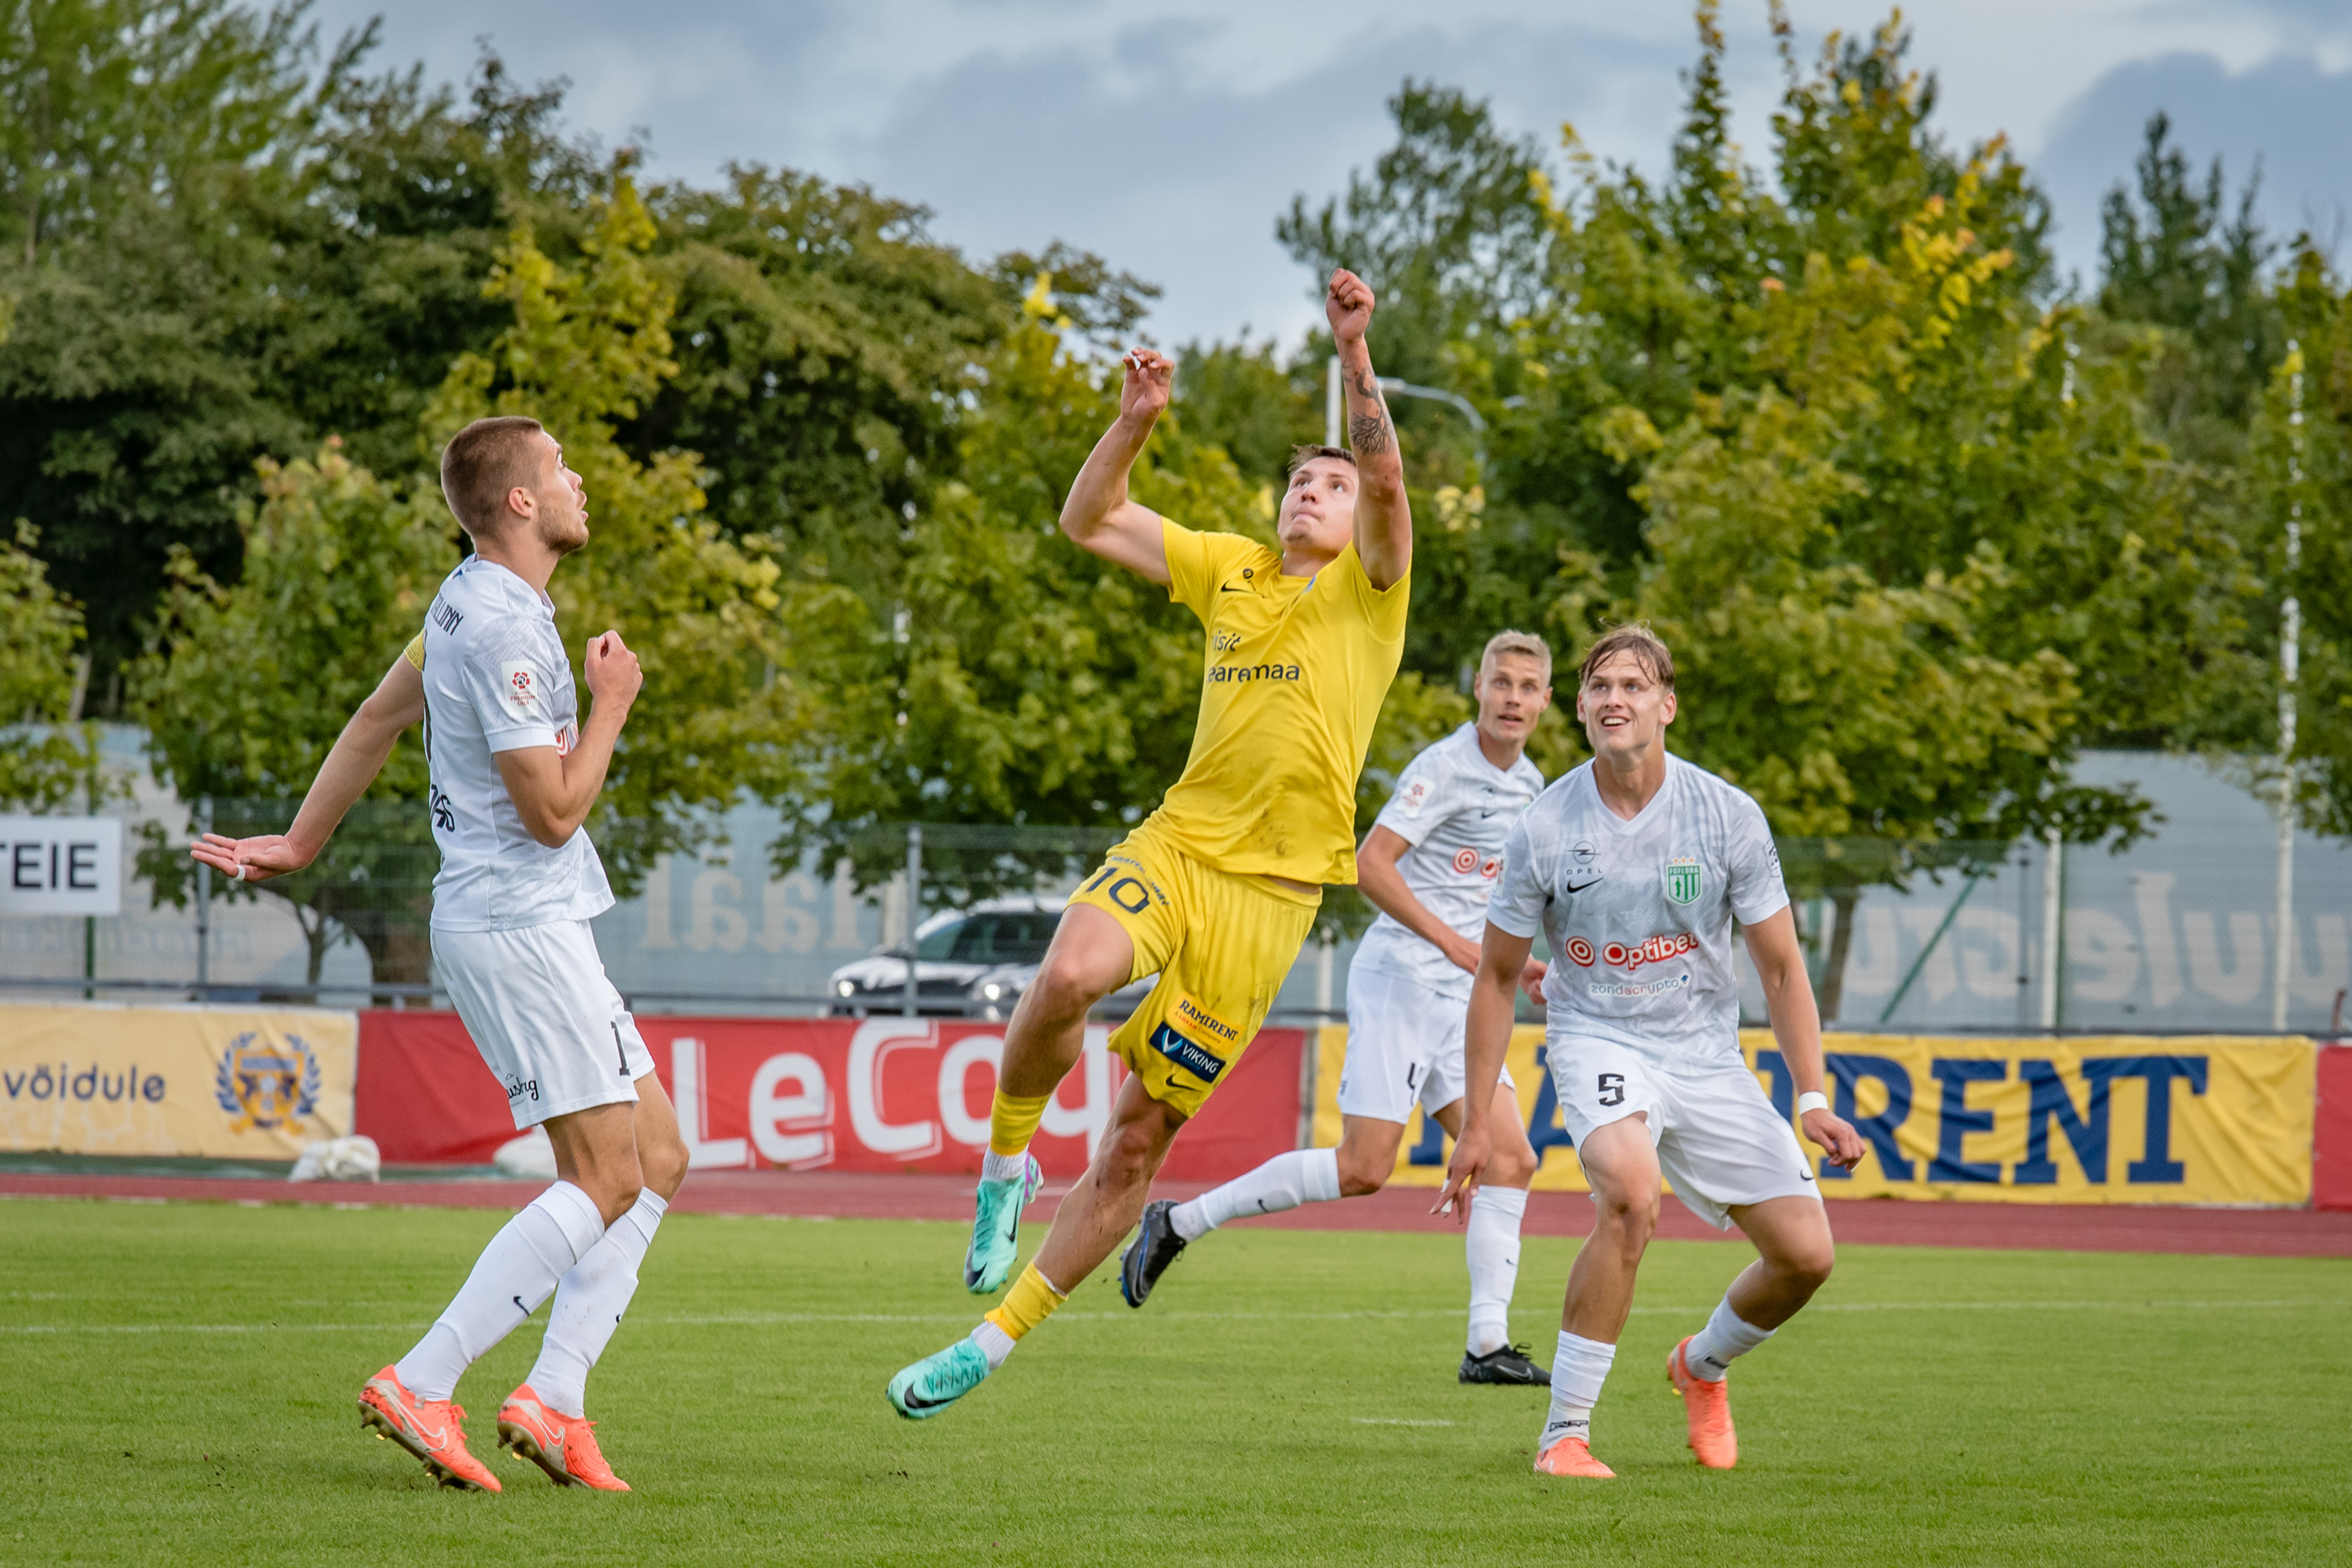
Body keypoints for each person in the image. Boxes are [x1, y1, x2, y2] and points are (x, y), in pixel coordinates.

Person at [886, 269, 1414, 1417]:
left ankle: (994, 1340)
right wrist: (1128, 429)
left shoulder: (1371, 593)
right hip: (1179, 846)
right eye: (1297, 484)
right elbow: (1087, 519)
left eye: (1327, 484)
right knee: (1069, 971)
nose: (1309, 495)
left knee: (1135, 1148)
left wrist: (1354, 352)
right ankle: (1001, 1168)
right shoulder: (1228, 567)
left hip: (1269, 903)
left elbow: (1384, 467)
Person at [191, 416, 687, 1493]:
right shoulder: (506, 630)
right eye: (560, 469)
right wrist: (612, 707)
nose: (579, 481)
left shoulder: (460, 600)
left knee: (659, 1156)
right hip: (520, 923)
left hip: (527, 918)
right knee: (605, 1178)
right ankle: (424, 1378)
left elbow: (376, 717)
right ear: (519, 502)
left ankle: (554, 1400)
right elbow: (554, 810)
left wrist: (301, 841)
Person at [1437, 625, 1866, 1480]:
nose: (1613, 698)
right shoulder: (1545, 824)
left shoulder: (1727, 814)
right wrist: (1478, 1121)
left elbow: (1781, 968)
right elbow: (1494, 977)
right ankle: (1565, 1432)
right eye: (1599, 686)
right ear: (1584, 709)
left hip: (1705, 1052)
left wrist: (1811, 1095)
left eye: (1632, 684)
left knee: (1806, 1256)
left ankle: (1700, 1364)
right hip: (1597, 1033)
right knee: (1631, 1195)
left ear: (1666, 705)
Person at [1116, 630, 1559, 1387]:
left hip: (1463, 995)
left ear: (1547, 702)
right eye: (1501, 683)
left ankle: (1487, 1344)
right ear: (1478, 690)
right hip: (1402, 981)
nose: (1513, 698)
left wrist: (1518, 967)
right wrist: (1459, 946)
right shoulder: (1445, 768)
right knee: (1364, 1169)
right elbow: (1369, 863)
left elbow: (1508, 897)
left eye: (1528, 687)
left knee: (1512, 1156)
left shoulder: (1535, 786)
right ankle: (1178, 1222)